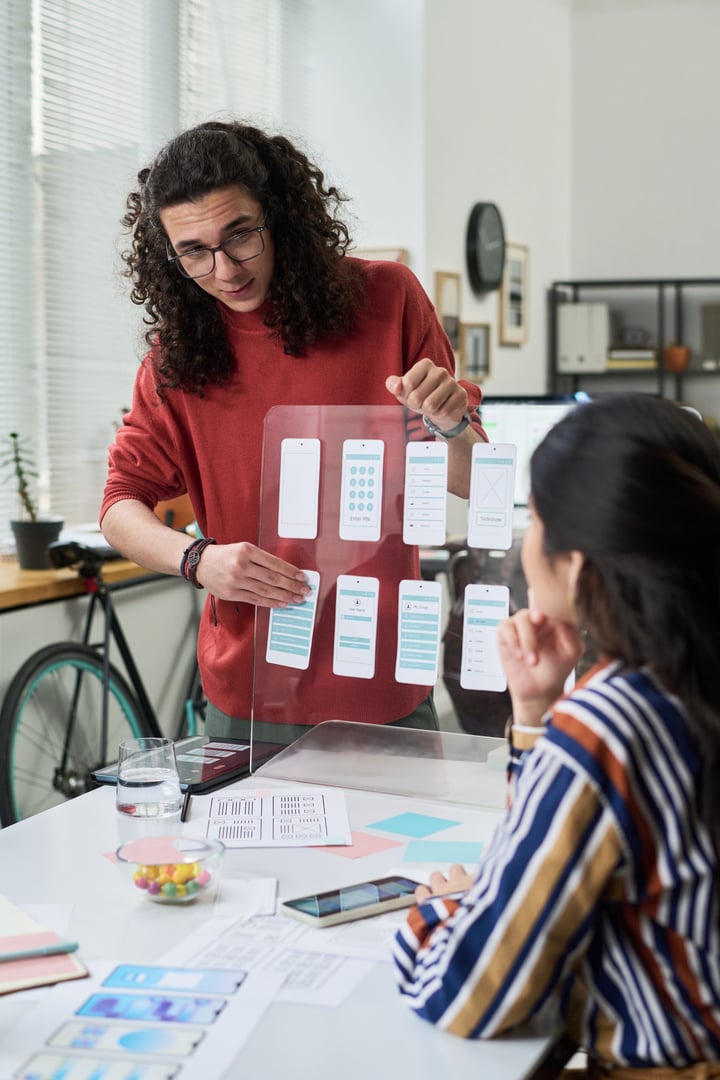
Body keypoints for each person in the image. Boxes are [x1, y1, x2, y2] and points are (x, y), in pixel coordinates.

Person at [100, 119, 486, 741]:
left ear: (277, 214)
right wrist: (199, 561)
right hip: (248, 695)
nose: (224, 270)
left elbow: (472, 482)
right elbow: (120, 506)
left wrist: (450, 425)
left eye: (240, 235)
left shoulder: (388, 300)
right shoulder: (175, 359)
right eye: (194, 251)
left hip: (382, 686)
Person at [394, 394, 720, 1077]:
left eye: (536, 518)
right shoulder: (683, 682)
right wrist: (538, 716)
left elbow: (472, 993)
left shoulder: (609, 724)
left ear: (576, 565)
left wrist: (443, 912)